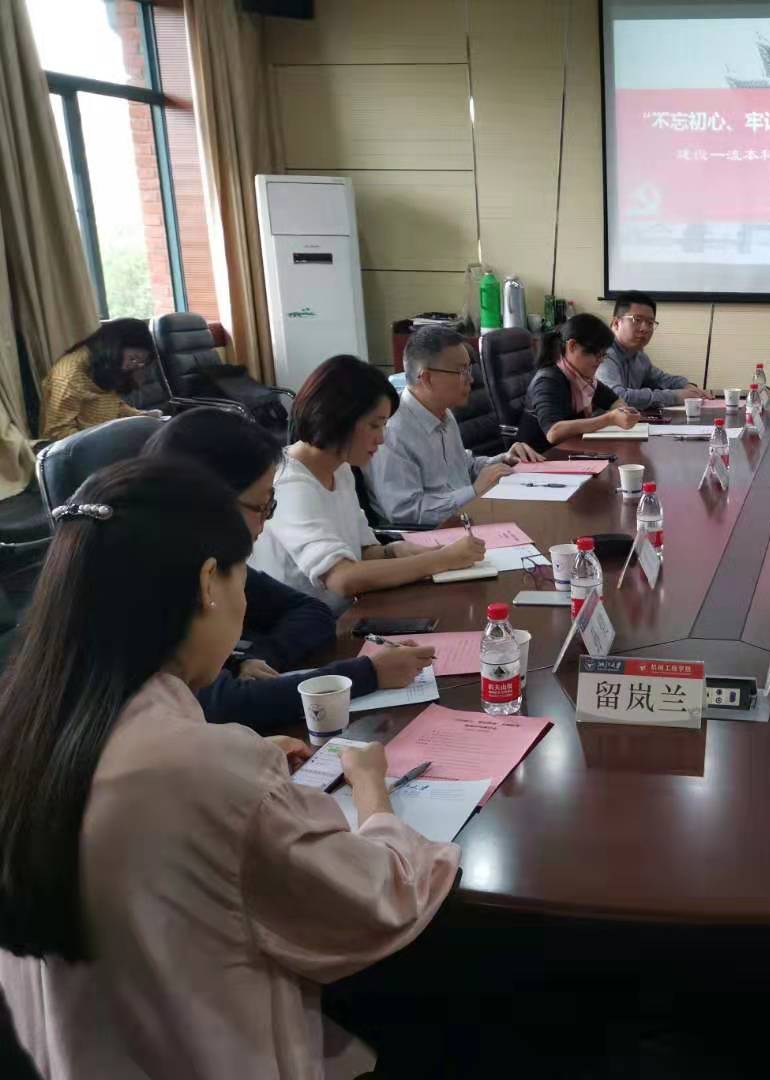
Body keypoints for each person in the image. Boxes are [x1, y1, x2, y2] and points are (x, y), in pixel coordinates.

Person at [0, 457, 459, 1078]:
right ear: (208, 583)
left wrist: (241, 777)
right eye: (242, 578)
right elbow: (379, 900)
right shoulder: (206, 768)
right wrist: (373, 790)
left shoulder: (24, 724)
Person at [143, 408, 435, 731]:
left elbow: (313, 611)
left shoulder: (210, 556)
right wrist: (368, 674)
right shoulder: (154, 575)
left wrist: (251, 660)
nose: (265, 523)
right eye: (260, 506)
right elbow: (219, 705)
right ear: (209, 501)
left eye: (271, 506)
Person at [250, 354, 487, 610]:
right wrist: (442, 560)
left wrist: (393, 551)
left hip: (349, 611)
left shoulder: (339, 468)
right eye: (375, 425)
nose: (382, 438)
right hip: (310, 626)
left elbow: (362, 552)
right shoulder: (291, 484)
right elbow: (342, 578)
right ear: (339, 419)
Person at [366, 325, 543, 526]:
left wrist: (502, 461)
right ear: (427, 378)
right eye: (462, 371)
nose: (471, 379)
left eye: (469, 370)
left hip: (468, 517)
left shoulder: (444, 413)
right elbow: (405, 512)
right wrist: (473, 492)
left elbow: (463, 468)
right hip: (432, 535)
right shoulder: (392, 432)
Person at [517, 313, 640, 453]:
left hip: (569, 452)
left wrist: (624, 412)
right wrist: (609, 419)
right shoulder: (547, 380)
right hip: (540, 457)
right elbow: (553, 432)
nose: (600, 361)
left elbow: (615, 401)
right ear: (572, 346)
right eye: (597, 354)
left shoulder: (583, 379)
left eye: (603, 355)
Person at [39, 318, 163, 440]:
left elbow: (112, 405)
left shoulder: (104, 365)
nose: (134, 366)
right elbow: (57, 432)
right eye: (133, 358)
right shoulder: (68, 377)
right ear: (113, 347)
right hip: (78, 446)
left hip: (104, 435)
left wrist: (141, 416)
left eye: (141, 362)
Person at [598, 291, 708, 408]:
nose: (644, 328)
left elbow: (661, 379)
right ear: (616, 323)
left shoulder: (639, 356)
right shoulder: (602, 354)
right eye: (637, 320)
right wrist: (675, 396)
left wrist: (686, 386)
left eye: (650, 323)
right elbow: (617, 398)